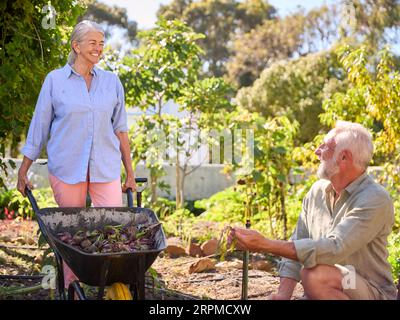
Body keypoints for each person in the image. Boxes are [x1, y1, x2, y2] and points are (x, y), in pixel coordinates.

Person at [16, 20, 136, 289]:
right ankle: (72, 288)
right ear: (76, 45)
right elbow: (39, 127)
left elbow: (121, 131)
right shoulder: (55, 81)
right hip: (67, 168)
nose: (98, 48)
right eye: (93, 42)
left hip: (105, 168)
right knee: (72, 237)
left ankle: (112, 285)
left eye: (102, 43)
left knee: (112, 231)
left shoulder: (112, 82)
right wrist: (23, 169)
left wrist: (129, 172)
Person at [229, 121, 397, 300]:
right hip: (332, 285)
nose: (317, 151)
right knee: (315, 275)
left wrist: (265, 244)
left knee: (315, 275)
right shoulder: (317, 191)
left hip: (368, 288)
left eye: (325, 147)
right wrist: (283, 295)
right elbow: (298, 241)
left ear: (344, 158)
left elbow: (335, 248)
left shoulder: (374, 198)